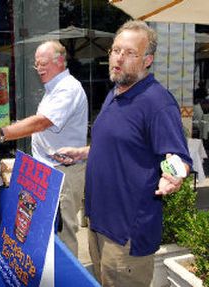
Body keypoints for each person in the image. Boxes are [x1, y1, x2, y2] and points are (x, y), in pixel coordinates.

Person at [54, 20, 192, 287]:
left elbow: (179, 157)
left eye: (130, 53)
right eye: (116, 50)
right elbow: (122, 145)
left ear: (148, 60)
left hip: (126, 234)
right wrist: (83, 153)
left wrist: (175, 174)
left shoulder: (157, 103)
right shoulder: (115, 93)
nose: (118, 58)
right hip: (98, 223)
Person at [0, 40, 88, 256]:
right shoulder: (52, 89)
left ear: (60, 61)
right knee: (47, 230)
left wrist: (1, 132)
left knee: (63, 233)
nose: (40, 69)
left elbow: (41, 122)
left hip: (64, 172)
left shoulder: (68, 88)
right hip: (49, 169)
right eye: (37, 65)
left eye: (43, 63)